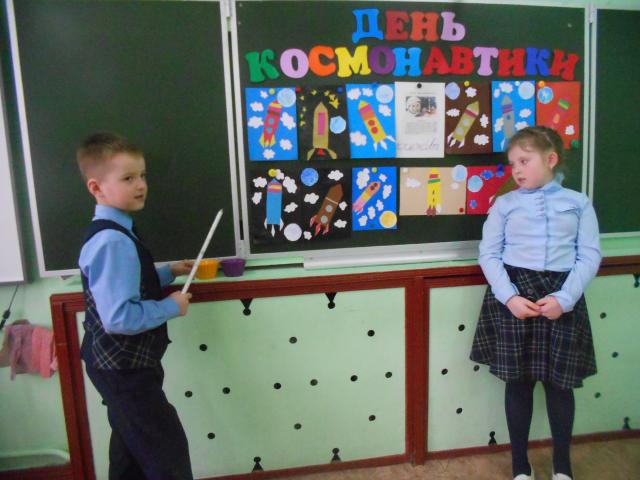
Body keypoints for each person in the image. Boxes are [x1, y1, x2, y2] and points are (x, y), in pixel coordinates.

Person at [470, 126, 601, 480]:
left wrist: (565, 298)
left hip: (561, 296)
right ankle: (519, 465)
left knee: (560, 385)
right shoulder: (505, 204)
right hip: (516, 293)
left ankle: (562, 465)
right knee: (518, 383)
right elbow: (489, 254)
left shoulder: (578, 203)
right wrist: (510, 297)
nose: (517, 170)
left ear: (551, 159)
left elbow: (589, 255)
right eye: (513, 163)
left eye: (524, 161)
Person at [77, 132, 194, 479]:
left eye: (142, 175)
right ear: (96, 188)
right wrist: (171, 306)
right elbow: (119, 317)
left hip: (121, 365)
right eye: (128, 178)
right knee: (166, 451)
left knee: (130, 448)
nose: (141, 185)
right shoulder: (113, 241)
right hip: (123, 370)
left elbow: (126, 283)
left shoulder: (118, 231)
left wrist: (167, 272)